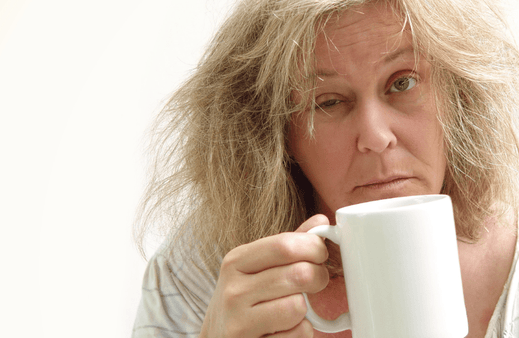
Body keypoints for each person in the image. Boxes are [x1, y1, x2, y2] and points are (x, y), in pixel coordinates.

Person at [132, 0, 519, 336]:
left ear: (459, 93)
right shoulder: (199, 275)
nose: (375, 136)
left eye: (402, 83)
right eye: (329, 102)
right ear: (275, 135)